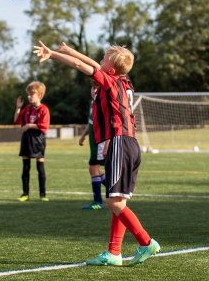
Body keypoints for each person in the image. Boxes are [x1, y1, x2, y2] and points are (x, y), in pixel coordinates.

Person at [33, 41, 160, 266]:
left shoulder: (109, 82)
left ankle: (145, 241)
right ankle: (114, 253)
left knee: (114, 203)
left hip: (121, 142)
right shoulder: (125, 82)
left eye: (103, 59)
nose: (99, 61)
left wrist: (52, 55)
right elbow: (91, 64)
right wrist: (70, 50)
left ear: (110, 70)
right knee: (117, 201)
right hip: (129, 143)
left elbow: (80, 66)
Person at [13, 81, 50, 202]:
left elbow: (44, 125)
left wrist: (29, 125)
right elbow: (16, 120)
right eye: (28, 94)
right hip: (26, 139)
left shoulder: (44, 109)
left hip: (38, 140)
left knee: (40, 168)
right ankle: (25, 193)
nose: (29, 97)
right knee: (25, 168)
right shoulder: (27, 109)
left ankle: (43, 194)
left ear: (39, 95)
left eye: (31, 94)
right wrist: (18, 108)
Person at [79, 80, 109, 210]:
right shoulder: (93, 103)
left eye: (97, 88)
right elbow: (91, 122)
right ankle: (114, 190)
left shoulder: (103, 104)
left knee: (93, 170)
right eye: (92, 88)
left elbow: (110, 126)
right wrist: (83, 135)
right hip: (93, 143)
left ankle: (98, 201)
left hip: (100, 143)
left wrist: (107, 145)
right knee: (95, 171)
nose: (94, 91)